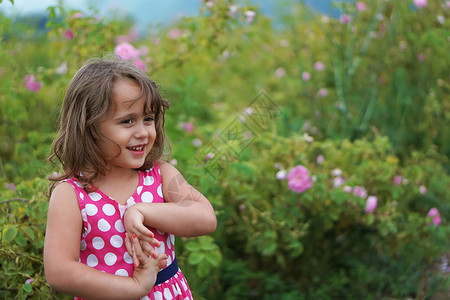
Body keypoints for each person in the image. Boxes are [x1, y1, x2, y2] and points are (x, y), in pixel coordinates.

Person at [44, 57, 217, 300]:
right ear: (89, 128)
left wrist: (141, 210)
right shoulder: (72, 194)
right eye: (127, 121)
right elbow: (59, 272)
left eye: (148, 119)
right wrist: (135, 288)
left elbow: (205, 217)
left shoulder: (160, 174)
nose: (143, 132)